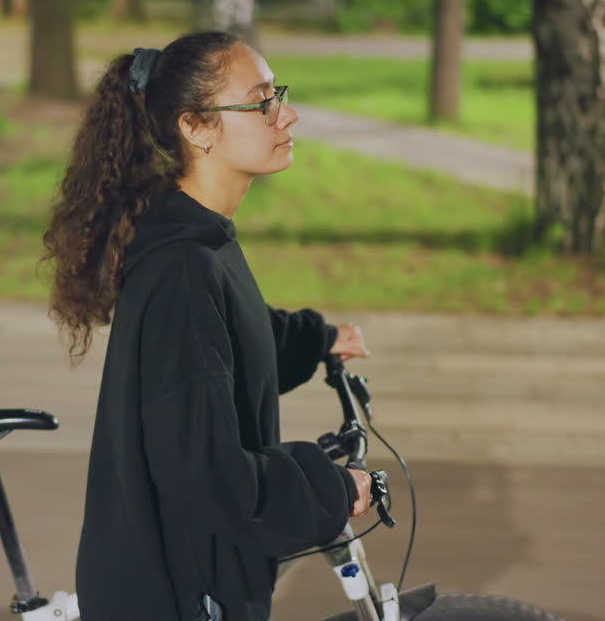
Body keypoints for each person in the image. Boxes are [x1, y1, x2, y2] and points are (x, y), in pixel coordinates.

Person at [42, 31, 372, 621]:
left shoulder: (194, 238)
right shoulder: (182, 270)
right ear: (196, 128)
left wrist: (318, 339)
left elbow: (230, 341)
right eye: (262, 101)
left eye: (279, 95)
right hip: (178, 596)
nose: (286, 115)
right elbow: (208, 474)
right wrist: (332, 487)